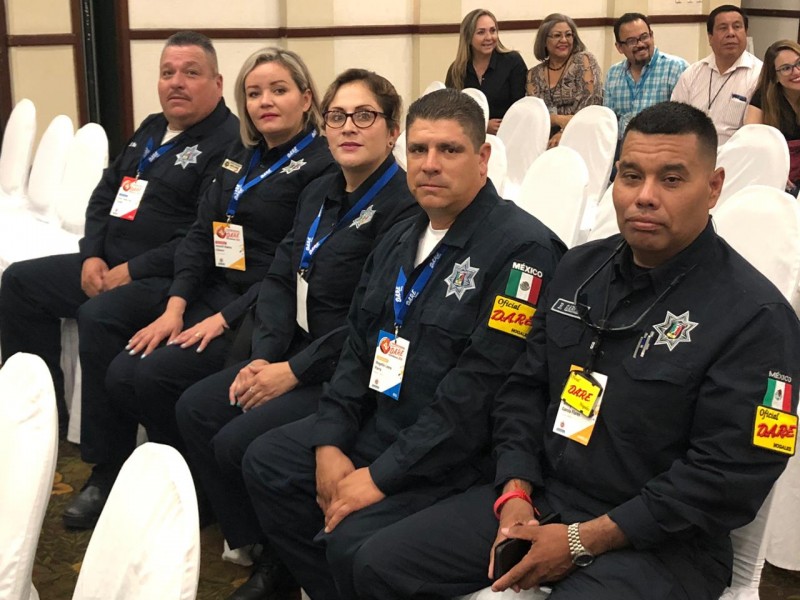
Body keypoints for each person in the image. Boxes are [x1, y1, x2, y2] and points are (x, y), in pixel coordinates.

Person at [343, 101, 800, 600]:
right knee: (376, 563)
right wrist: (515, 488)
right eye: (630, 176)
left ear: (713, 187)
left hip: (662, 542)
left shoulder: (758, 318)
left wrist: (585, 539)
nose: (644, 197)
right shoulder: (580, 269)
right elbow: (522, 388)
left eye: (671, 180)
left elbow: (729, 478)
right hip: (545, 497)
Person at [240, 88, 566, 600]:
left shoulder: (523, 252)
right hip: (382, 421)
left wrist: (380, 477)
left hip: (452, 458)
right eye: (418, 150)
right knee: (267, 461)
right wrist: (329, 442)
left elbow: (476, 393)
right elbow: (356, 344)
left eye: (449, 150)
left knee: (354, 543)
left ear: (482, 159)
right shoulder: (402, 233)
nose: (430, 165)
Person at [57, 46, 335, 531]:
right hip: (209, 292)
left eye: (279, 90)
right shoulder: (241, 156)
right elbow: (199, 236)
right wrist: (175, 306)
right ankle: (181, 475)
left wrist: (223, 317)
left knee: (154, 377)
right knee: (125, 373)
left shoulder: (322, 166)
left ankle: (207, 494)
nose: (264, 101)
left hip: (261, 309)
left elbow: (289, 269)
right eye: (253, 93)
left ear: (306, 97)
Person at [175, 68, 422, 599]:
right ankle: (259, 542)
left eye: (364, 116)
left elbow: (373, 319)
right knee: (196, 409)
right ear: (324, 124)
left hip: (340, 367)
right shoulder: (318, 190)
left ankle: (288, 566)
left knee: (240, 442)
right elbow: (281, 277)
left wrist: (291, 372)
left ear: (392, 128)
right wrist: (265, 356)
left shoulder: (404, 207)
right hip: (289, 349)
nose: (349, 128)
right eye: (337, 117)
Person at [0, 32, 238, 457]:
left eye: (191, 73)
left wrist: (135, 269)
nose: (176, 82)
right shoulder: (150, 129)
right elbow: (104, 195)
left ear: (217, 84)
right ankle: (38, 415)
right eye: (167, 73)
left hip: (166, 279)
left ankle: (105, 464)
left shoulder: (230, 144)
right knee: (20, 282)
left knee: (98, 316)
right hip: (107, 262)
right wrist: (91, 252)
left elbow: (203, 234)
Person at [671, 5, 762, 144]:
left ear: (746, 32)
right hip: (693, 155)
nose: (731, 33)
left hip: (736, 158)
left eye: (737, 27)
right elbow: (676, 119)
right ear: (710, 37)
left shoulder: (760, 74)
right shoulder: (693, 73)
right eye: (723, 28)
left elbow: (754, 135)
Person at [604, 13, 687, 139]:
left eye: (644, 37)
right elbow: (608, 122)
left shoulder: (676, 68)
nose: (640, 44)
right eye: (632, 41)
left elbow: (684, 122)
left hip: (662, 147)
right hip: (622, 148)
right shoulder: (613, 74)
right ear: (619, 47)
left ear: (652, 35)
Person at [445, 8, 527, 135]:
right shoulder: (457, 70)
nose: (489, 37)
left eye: (493, 31)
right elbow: (452, 114)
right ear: (468, 37)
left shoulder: (513, 62)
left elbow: (521, 107)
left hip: (508, 136)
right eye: (481, 32)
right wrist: (482, 127)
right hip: (468, 139)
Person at [525, 13, 603, 147]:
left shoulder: (584, 61)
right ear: (544, 41)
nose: (564, 40)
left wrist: (563, 132)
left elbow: (589, 108)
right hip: (542, 140)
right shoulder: (534, 74)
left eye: (568, 35)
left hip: (581, 137)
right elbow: (534, 117)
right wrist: (557, 119)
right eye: (557, 35)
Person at [745, 39, 800, 196]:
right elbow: (750, 141)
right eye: (786, 68)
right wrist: (775, 171)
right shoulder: (762, 98)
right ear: (774, 76)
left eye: (799, 63)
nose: (796, 72)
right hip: (774, 174)